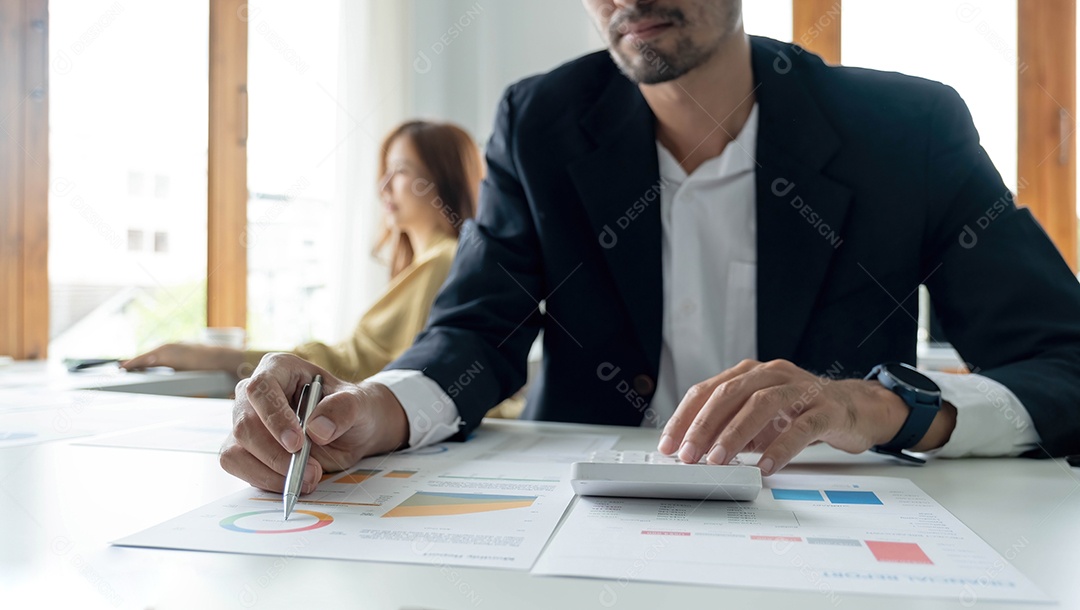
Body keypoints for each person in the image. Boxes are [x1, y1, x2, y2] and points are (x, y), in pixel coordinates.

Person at [221, 0, 1080, 495]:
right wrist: (371, 410)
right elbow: (476, 334)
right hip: (582, 532)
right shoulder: (542, 122)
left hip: (827, 520)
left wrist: (884, 408)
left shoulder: (907, 129)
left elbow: (1064, 363)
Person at [124, 120, 483, 385]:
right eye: (385, 171)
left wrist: (215, 356)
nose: (383, 186)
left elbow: (354, 365)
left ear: (443, 179)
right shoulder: (437, 263)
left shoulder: (444, 261)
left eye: (401, 171)